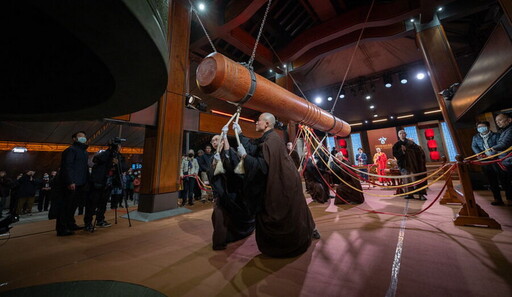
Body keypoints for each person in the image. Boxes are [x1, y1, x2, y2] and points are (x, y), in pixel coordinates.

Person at [235, 112, 318, 258]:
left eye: (258, 121)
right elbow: (254, 144)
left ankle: (289, 243)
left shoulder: (271, 141)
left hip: (282, 184)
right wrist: (240, 134)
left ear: (267, 123)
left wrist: (244, 156)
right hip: (286, 181)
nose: (256, 123)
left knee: (279, 211)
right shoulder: (269, 138)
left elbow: (261, 167)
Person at [208, 134, 255, 250]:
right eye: (212, 141)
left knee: (236, 217)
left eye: (217, 139)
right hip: (222, 193)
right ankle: (220, 241)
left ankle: (233, 235)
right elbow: (211, 175)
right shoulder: (213, 157)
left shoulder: (231, 153)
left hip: (234, 192)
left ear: (223, 141)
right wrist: (215, 163)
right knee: (218, 215)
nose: (214, 142)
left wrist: (226, 153)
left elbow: (235, 170)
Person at [85, 141, 127, 232]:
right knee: (93, 203)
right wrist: (109, 152)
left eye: (119, 145)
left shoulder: (119, 156)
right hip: (99, 182)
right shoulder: (104, 154)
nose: (119, 147)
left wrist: (117, 163)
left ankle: (100, 220)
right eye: (118, 145)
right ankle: (88, 223)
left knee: (103, 203)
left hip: (109, 183)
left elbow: (124, 167)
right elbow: (95, 160)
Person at [55, 131, 90, 236]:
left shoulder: (84, 151)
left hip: (81, 183)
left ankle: (70, 224)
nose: (83, 138)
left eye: (84, 136)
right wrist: (70, 181)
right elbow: (67, 167)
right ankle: (62, 228)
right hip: (72, 183)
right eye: (80, 136)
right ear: (74, 139)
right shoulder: (71, 150)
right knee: (65, 206)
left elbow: (84, 168)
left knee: (73, 206)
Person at [471, 121, 509, 206]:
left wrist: (494, 154)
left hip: (497, 160)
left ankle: (509, 198)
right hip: (485, 161)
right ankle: (497, 199)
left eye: (483, 126)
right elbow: (474, 146)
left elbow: (501, 145)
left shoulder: (496, 135)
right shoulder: (476, 137)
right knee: (492, 180)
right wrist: (479, 154)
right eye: (479, 127)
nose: (481, 128)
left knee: (504, 179)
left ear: (488, 127)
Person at [392, 130, 427, 200]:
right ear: (398, 135)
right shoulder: (397, 145)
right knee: (406, 180)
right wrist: (402, 151)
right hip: (404, 165)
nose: (402, 134)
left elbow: (419, 151)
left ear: (406, 134)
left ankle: (420, 194)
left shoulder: (411, 143)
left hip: (414, 164)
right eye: (400, 133)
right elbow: (395, 154)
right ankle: (409, 194)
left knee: (416, 179)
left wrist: (408, 150)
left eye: (403, 133)